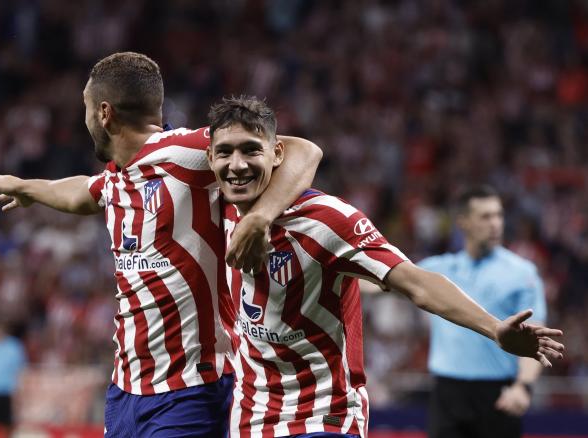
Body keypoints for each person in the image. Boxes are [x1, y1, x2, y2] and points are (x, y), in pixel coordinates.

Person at [0, 52, 322, 437]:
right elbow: (82, 192)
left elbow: (302, 150)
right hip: (126, 390)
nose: (86, 118)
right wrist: (28, 188)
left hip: (191, 388)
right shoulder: (118, 177)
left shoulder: (186, 153)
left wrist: (261, 218)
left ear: (104, 113)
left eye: (86, 108)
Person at [205, 96, 564, 438]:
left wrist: (494, 328)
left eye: (252, 150)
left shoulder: (328, 221)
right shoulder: (210, 212)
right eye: (225, 152)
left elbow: (417, 284)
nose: (237, 165)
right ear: (209, 158)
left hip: (322, 415)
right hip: (250, 418)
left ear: (277, 153)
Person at [418, 185, 549, 438]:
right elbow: (380, 281)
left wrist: (523, 387)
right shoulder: (438, 269)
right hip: (447, 394)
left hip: (499, 396)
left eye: (499, 215)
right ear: (463, 222)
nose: (496, 224)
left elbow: (536, 337)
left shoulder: (523, 273)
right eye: (486, 216)